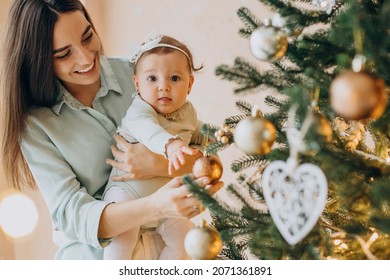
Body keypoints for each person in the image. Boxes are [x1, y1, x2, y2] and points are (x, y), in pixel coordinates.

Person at [0, 0, 223, 260]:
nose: (85, 57)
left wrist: (157, 165)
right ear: (37, 60)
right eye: (64, 54)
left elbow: (205, 152)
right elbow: (72, 216)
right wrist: (154, 206)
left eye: (87, 37)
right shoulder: (36, 125)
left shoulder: (143, 72)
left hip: (173, 250)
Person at [102, 34, 207, 260]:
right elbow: (149, 131)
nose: (163, 87)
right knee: (120, 247)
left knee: (185, 242)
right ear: (137, 84)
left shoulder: (188, 113)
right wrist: (171, 145)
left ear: (190, 84)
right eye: (152, 79)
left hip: (167, 201)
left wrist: (218, 140)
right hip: (127, 195)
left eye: (175, 78)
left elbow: (201, 135)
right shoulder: (139, 111)